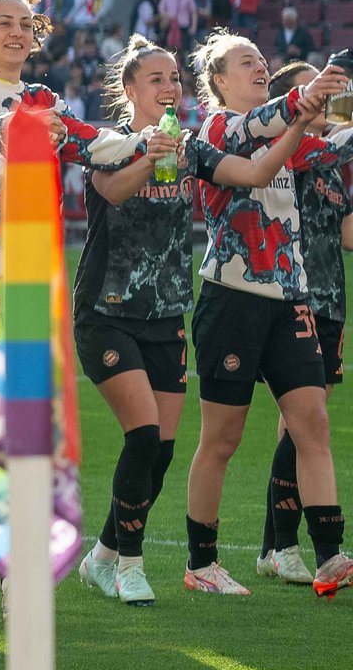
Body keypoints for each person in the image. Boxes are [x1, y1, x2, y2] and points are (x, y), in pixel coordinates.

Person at [74, 37, 311, 606]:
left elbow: (253, 174)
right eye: (155, 79)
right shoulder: (108, 145)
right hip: (107, 315)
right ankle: (131, 566)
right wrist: (146, 154)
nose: (169, 87)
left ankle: (103, 554)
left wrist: (297, 126)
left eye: (174, 78)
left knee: (161, 453)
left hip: (166, 314)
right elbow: (113, 192)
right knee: (142, 436)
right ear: (130, 90)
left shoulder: (191, 146)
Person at [0, 0, 141, 602]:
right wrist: (12, 135)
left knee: (8, 437)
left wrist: (146, 144)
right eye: (5, 24)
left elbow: (86, 143)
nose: (19, 34)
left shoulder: (44, 102)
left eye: (27, 25)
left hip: (28, 291)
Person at [177, 33, 350, 595]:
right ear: (219, 81)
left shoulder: (284, 130)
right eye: (245, 61)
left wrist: (317, 113)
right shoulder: (216, 128)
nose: (259, 66)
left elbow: (334, 146)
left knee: (312, 425)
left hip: (291, 300)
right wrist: (306, 98)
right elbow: (263, 133)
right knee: (221, 440)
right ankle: (201, 564)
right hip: (232, 301)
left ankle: (330, 558)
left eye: (261, 59)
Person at [250, 60, 353, 593]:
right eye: (313, 88)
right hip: (297, 298)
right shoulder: (294, 152)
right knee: (301, 424)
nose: (326, 94)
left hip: (331, 301)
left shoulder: (332, 157)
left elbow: (347, 232)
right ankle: (282, 544)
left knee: (304, 425)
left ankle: (276, 544)